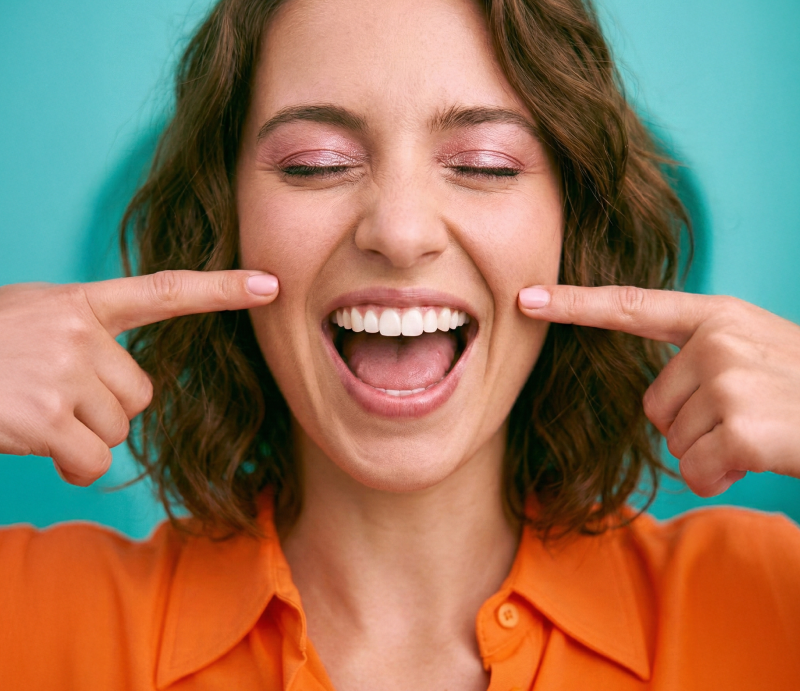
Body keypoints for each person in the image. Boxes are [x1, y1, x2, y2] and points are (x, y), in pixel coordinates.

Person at [1, 0, 799, 689]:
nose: (401, 231)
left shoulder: (766, 596)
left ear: (573, 227)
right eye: (317, 165)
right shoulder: (35, 615)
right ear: (227, 226)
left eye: (485, 165)